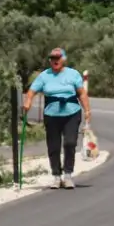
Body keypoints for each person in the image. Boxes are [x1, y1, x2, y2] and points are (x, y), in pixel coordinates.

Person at [24, 47, 90, 189]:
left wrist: (87, 111)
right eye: (52, 58)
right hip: (51, 115)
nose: (55, 60)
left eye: (58, 58)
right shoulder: (44, 76)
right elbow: (31, 91)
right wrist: (28, 101)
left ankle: (67, 175)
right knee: (53, 146)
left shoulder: (73, 74)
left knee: (70, 143)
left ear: (64, 59)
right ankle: (56, 176)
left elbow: (82, 94)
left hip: (72, 113)